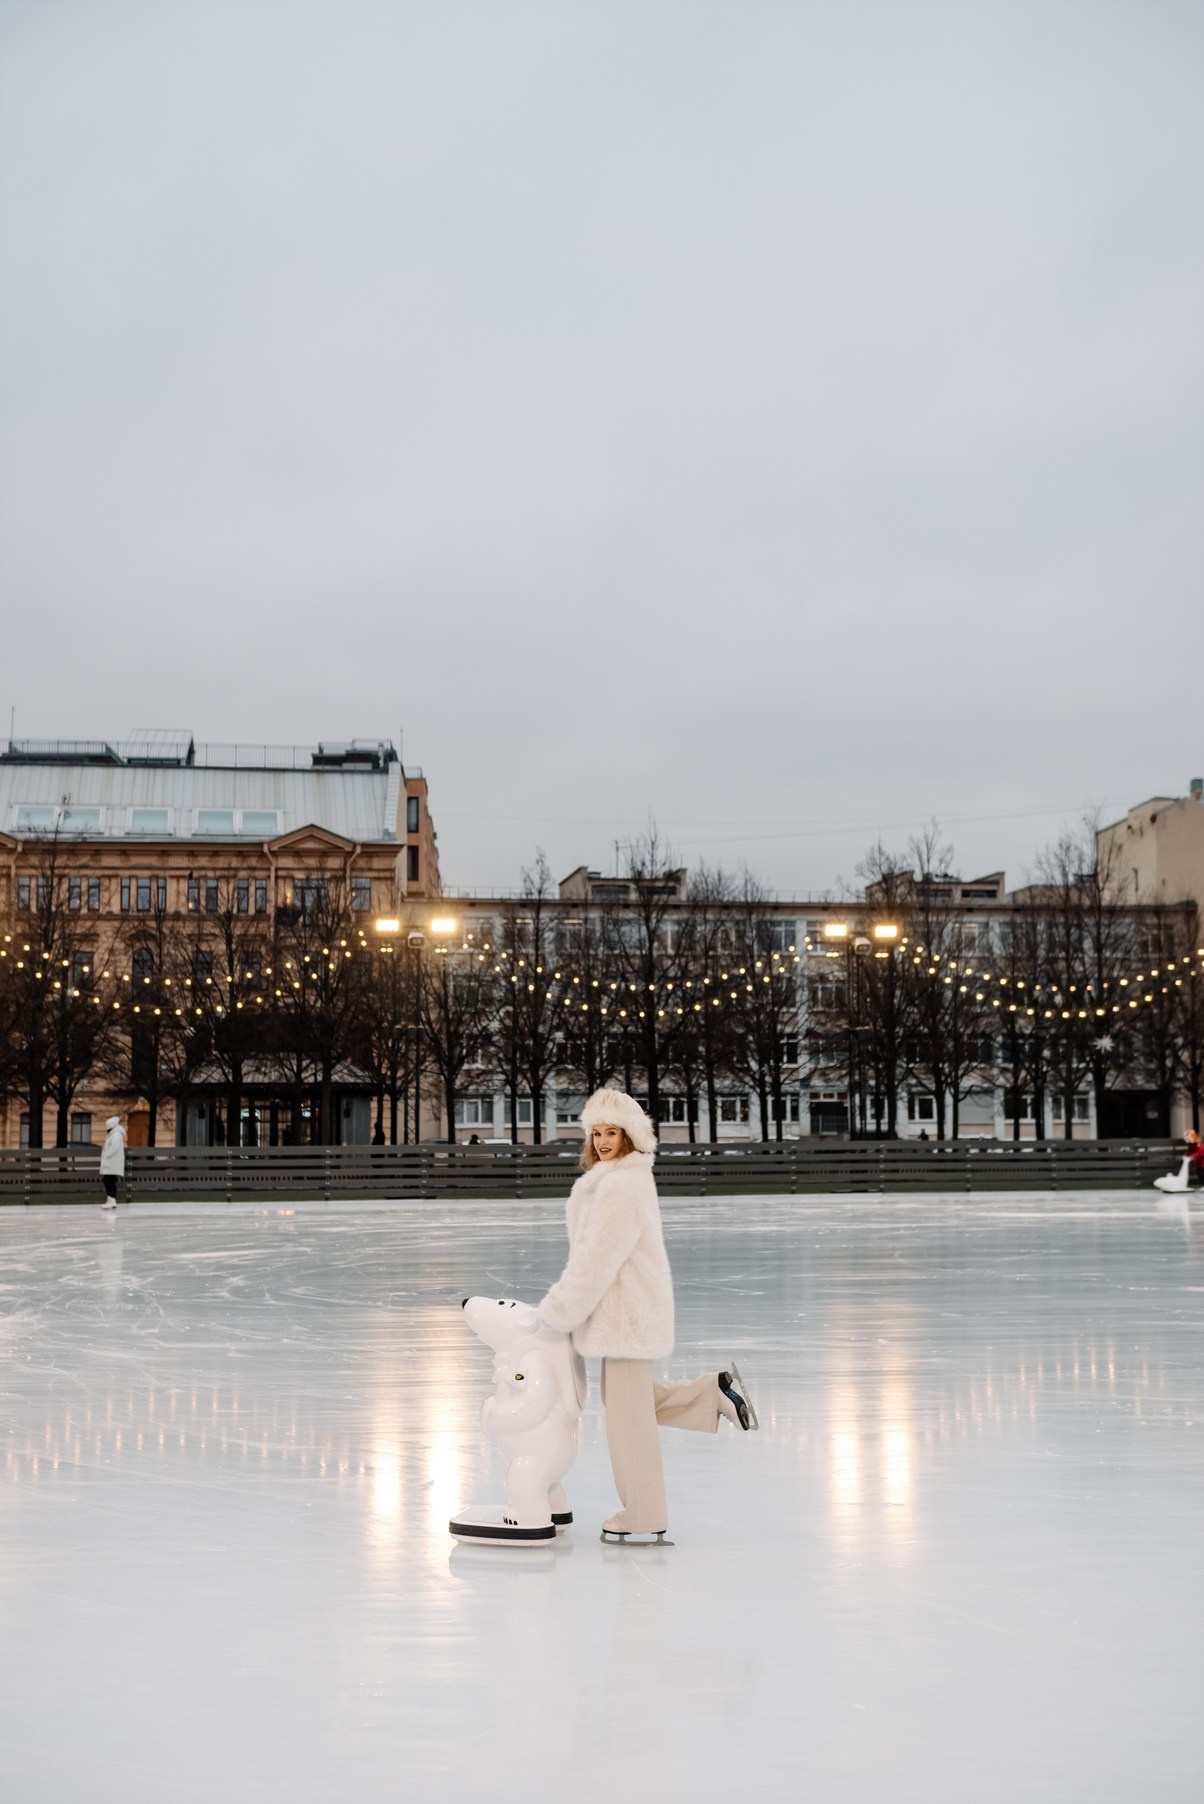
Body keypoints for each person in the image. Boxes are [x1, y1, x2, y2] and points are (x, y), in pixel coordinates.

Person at [537, 1087, 756, 1545]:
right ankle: (710, 1392)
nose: (601, 1141)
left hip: (627, 1314)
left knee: (627, 1417)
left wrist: (559, 1310)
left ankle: (643, 1512)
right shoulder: (608, 1179)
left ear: (630, 1136)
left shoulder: (622, 1185)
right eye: (596, 1132)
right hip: (620, 1313)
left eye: (611, 1132)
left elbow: (598, 1258)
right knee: (626, 1406)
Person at [99, 1115, 126, 1209]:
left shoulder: (116, 1134)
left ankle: (112, 1200)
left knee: (109, 1180)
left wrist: (106, 1155)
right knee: (108, 1180)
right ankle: (110, 1199)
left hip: (112, 1162)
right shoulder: (113, 1134)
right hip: (111, 1162)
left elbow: (114, 1147)